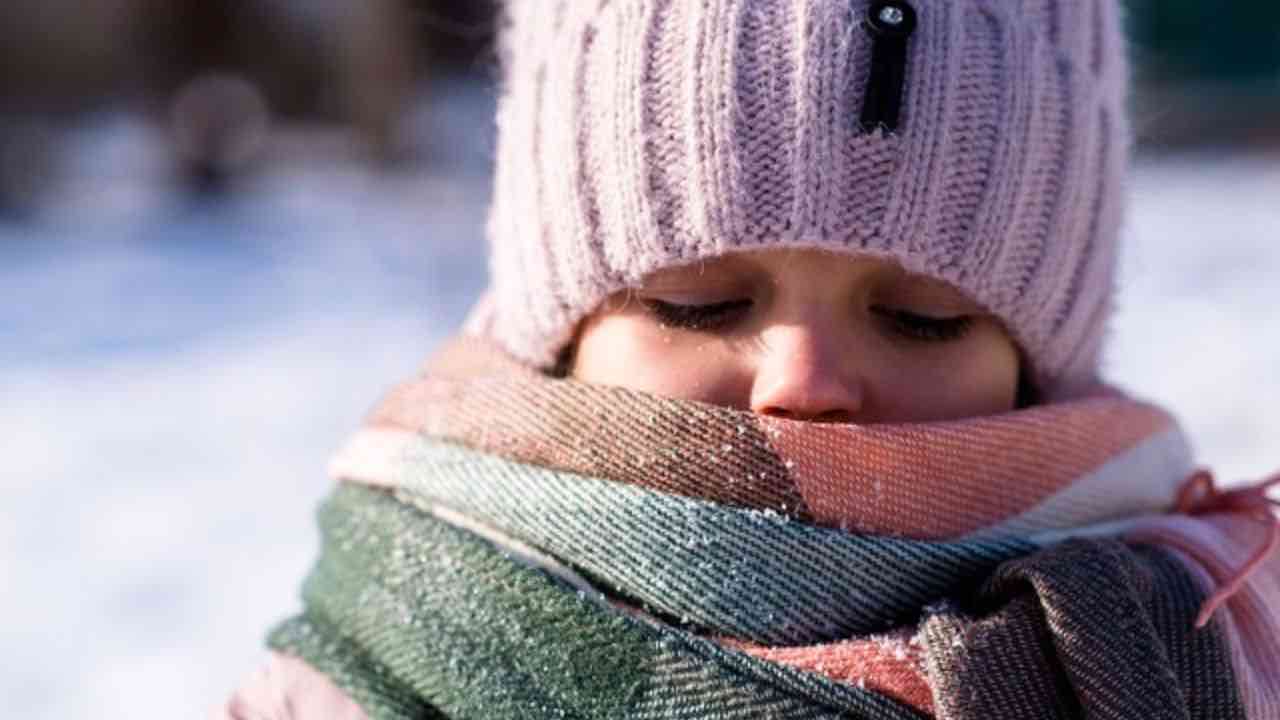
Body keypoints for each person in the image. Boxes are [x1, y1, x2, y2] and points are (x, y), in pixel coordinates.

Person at [217, 1, 1280, 718]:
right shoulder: (362, 672)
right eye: (698, 302)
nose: (801, 381)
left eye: (919, 317)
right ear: (560, 332)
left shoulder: (1203, 641)